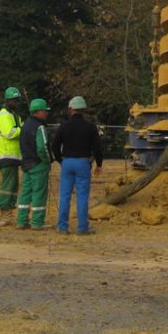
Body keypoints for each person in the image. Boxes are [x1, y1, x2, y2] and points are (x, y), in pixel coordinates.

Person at [51, 96, 103, 235]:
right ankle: (82, 227)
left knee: (65, 195)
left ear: (71, 109)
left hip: (67, 162)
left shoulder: (64, 126)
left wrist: (60, 160)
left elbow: (55, 145)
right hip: (83, 163)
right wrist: (99, 164)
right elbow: (97, 147)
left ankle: (62, 226)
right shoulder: (90, 127)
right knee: (82, 196)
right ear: (84, 110)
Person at [0, 87, 23, 226]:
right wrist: (24, 128)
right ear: (7, 100)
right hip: (3, 156)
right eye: (14, 100)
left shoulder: (14, 115)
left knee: (13, 186)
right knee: (7, 186)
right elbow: (10, 133)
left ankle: (7, 213)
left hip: (12, 156)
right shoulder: (3, 115)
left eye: (18, 100)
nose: (17, 103)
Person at [15, 99, 52, 230]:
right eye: (45, 111)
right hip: (38, 164)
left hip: (26, 164)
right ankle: (37, 222)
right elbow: (43, 147)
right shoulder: (40, 127)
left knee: (25, 192)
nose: (47, 113)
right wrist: (49, 160)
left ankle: (21, 220)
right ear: (39, 111)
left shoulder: (25, 125)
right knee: (39, 193)